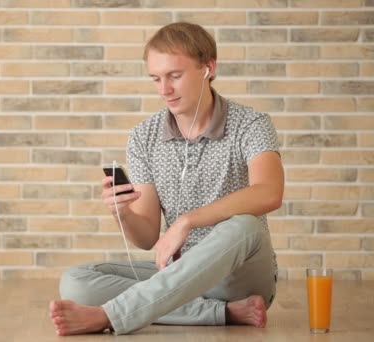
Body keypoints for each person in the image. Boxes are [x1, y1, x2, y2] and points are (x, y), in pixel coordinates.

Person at [48, 21, 284, 336]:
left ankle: (111, 316)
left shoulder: (251, 124)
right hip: (177, 276)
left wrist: (187, 221)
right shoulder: (144, 136)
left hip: (238, 275)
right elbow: (147, 238)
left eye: (174, 76)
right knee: (76, 282)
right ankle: (219, 314)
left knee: (246, 225)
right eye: (156, 78)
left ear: (208, 68)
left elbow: (269, 193)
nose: (164, 89)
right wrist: (123, 213)